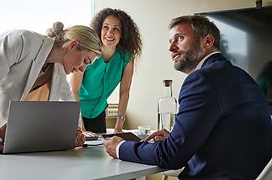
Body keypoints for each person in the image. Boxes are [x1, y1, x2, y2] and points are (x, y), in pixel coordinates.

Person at [104, 15, 272, 179]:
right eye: (170, 42)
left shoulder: (203, 79)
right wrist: (177, 137)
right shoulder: (241, 77)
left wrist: (120, 147)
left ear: (207, 41)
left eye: (180, 38)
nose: (171, 48)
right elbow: (228, 137)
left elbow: (172, 155)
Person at [0, 22, 102, 154]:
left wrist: (75, 131)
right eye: (85, 61)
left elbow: (68, 101)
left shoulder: (57, 68)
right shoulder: (21, 41)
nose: (83, 69)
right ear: (72, 45)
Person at [70, 8, 142, 135]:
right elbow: (74, 90)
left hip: (98, 113)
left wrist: (119, 127)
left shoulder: (126, 58)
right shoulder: (88, 52)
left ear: (123, 34)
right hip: (76, 113)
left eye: (116, 29)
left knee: (98, 152)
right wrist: (80, 127)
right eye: (106, 27)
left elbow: (125, 92)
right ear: (99, 29)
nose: (110, 33)